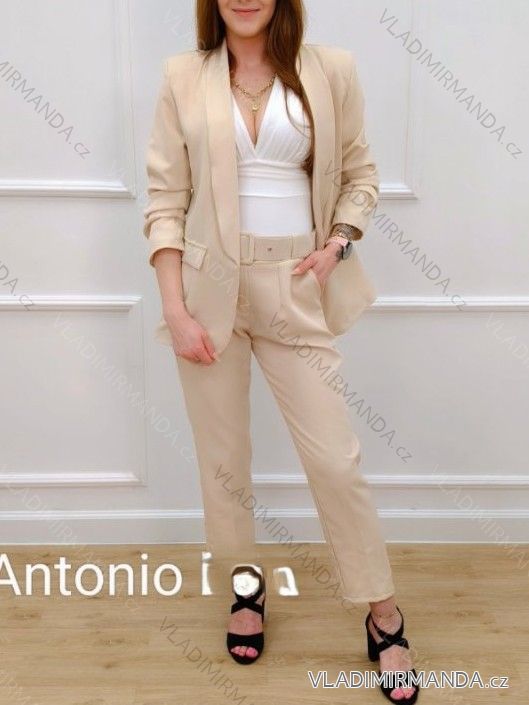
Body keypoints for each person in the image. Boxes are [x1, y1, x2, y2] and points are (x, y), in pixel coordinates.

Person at [143, 1, 419, 702]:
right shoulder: (183, 76)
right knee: (223, 464)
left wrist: (338, 244)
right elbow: (165, 199)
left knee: (334, 459)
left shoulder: (330, 70)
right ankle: (245, 590)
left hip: (295, 284)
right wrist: (174, 308)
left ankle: (383, 612)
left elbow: (360, 174)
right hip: (209, 292)